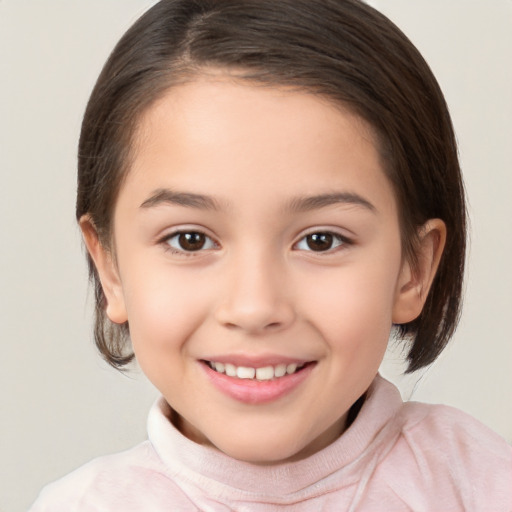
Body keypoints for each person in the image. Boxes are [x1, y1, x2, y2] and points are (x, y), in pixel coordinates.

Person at [29, 0, 512, 510]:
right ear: (111, 269)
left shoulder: (476, 482)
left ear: (412, 268)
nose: (255, 307)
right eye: (190, 239)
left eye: (321, 240)